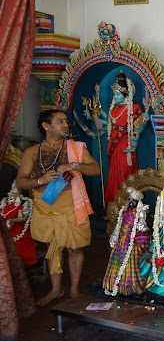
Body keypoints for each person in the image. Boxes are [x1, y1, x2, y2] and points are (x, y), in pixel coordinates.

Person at [16, 109, 101, 305]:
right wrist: (40, 180)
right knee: (52, 248)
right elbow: (21, 182)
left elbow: (95, 169)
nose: (65, 125)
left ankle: (74, 290)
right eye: (59, 121)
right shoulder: (31, 152)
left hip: (71, 204)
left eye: (65, 122)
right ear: (46, 126)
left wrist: (75, 166)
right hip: (45, 205)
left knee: (75, 249)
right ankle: (56, 289)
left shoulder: (76, 148)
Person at [103, 71, 149, 203]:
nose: (115, 97)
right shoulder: (115, 109)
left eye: (118, 94)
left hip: (125, 145)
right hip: (113, 142)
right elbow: (109, 124)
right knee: (113, 173)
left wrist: (142, 124)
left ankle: (127, 205)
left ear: (126, 94)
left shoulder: (134, 108)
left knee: (124, 171)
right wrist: (98, 121)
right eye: (114, 94)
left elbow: (140, 126)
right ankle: (113, 204)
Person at [103, 187, 150, 296]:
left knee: (131, 263)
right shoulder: (124, 210)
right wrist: (114, 236)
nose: (131, 202)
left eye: (134, 201)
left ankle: (130, 285)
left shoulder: (141, 211)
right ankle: (117, 284)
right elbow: (119, 225)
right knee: (118, 261)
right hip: (122, 240)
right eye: (130, 200)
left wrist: (141, 227)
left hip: (132, 242)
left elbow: (144, 227)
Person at [1, 180, 37, 265]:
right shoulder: (5, 205)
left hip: (17, 230)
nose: (10, 199)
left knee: (18, 247)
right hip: (6, 228)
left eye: (12, 198)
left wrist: (12, 220)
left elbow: (22, 218)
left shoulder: (19, 207)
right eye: (9, 197)